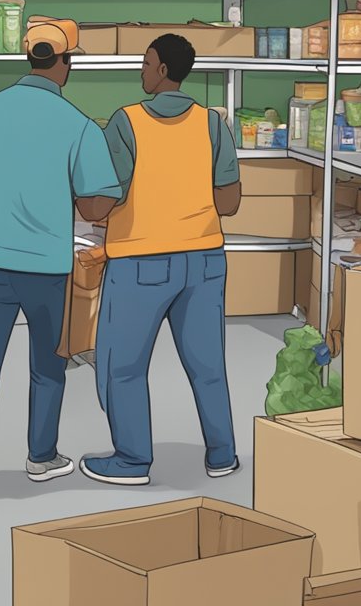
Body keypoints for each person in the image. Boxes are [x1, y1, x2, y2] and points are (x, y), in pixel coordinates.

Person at [0, 17, 122, 489]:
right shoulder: (77, 125)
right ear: (65, 63)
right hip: (45, 265)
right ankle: (40, 456)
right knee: (48, 366)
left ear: (30, 58)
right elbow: (95, 204)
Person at [80, 33, 243, 486]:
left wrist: (83, 204)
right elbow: (228, 202)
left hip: (141, 261)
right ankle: (222, 455)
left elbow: (100, 202)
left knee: (124, 366)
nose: (142, 70)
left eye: (147, 63)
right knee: (208, 365)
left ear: (163, 70)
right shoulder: (212, 123)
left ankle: (132, 460)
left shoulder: (125, 123)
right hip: (205, 259)